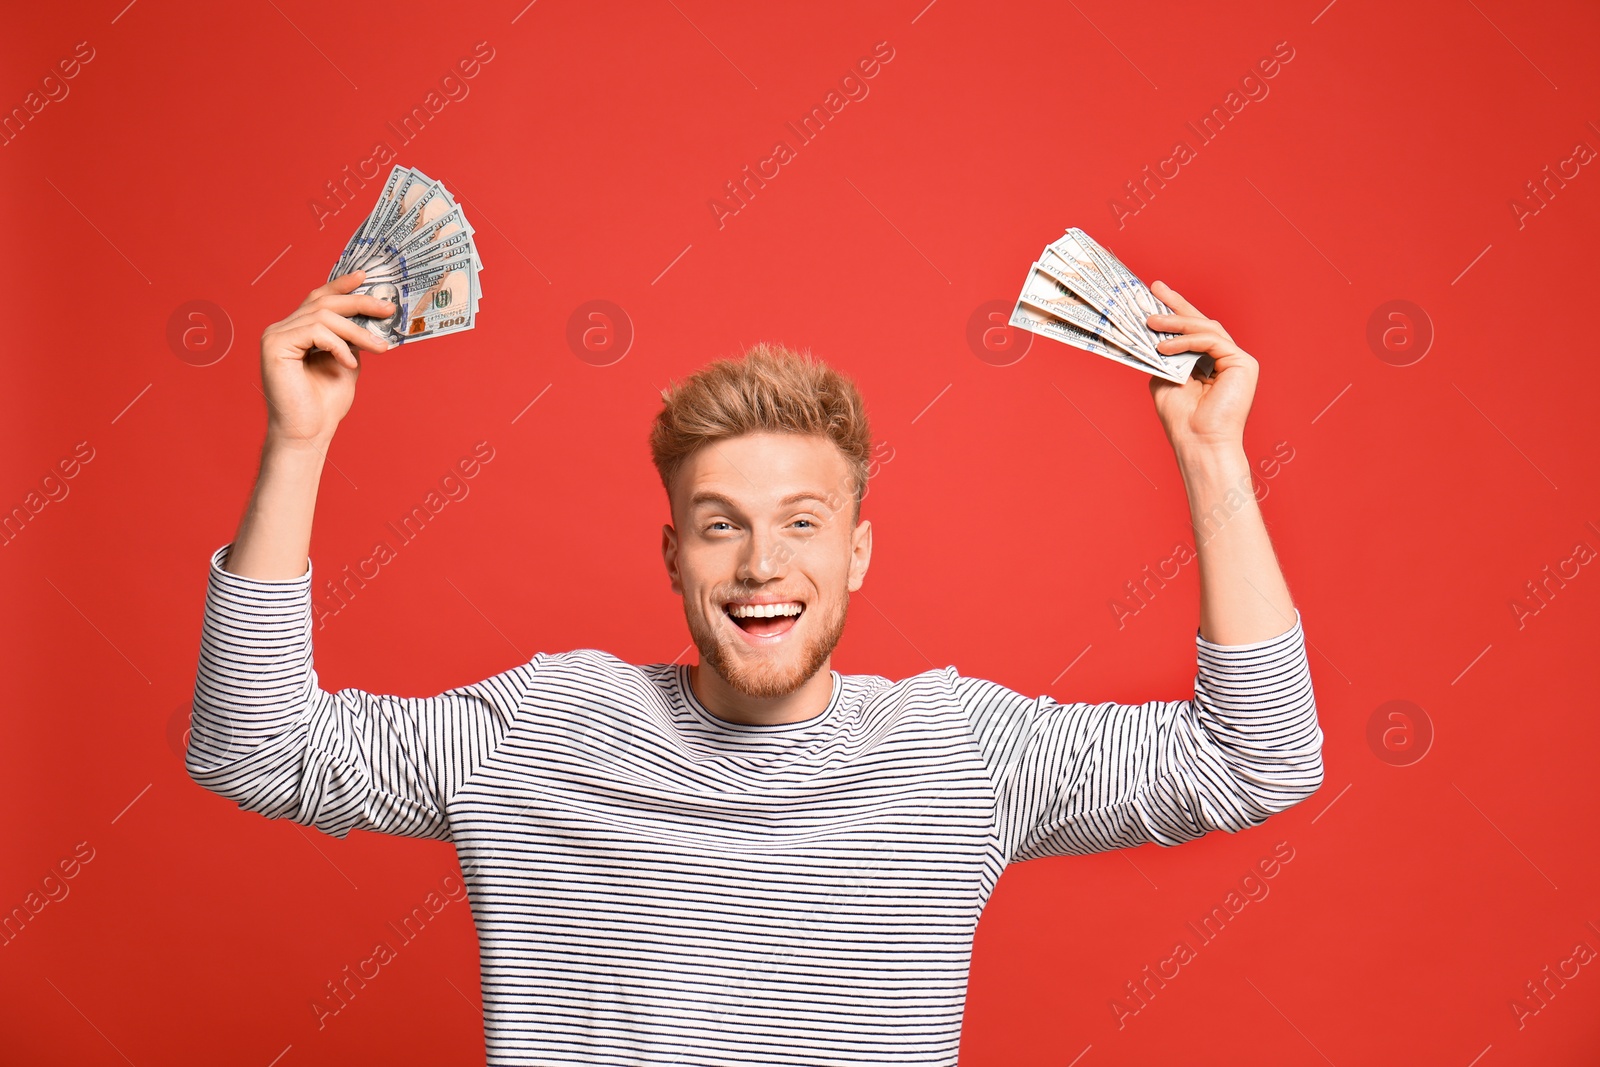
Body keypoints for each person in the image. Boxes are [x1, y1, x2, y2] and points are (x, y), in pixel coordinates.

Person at [187, 268, 1323, 1065]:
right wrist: (298, 441)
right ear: (673, 554)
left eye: (801, 522)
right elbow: (257, 745)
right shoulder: (544, 730)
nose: (762, 564)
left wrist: (1209, 449)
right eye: (720, 525)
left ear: (859, 551)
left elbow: (1255, 758)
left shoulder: (957, 754)